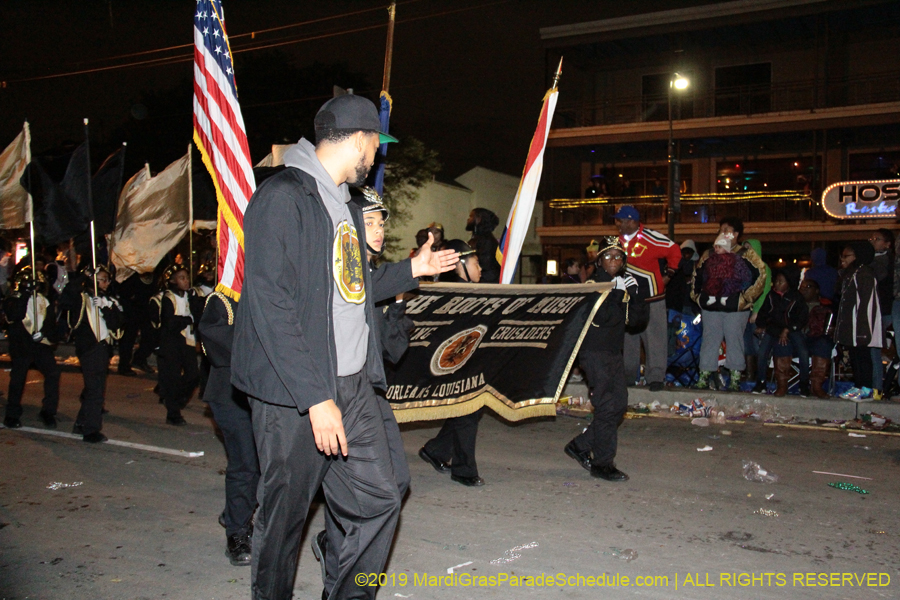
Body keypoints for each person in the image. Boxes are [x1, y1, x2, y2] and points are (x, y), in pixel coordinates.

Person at [230, 94, 458, 600]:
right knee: (284, 521)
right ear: (358, 138)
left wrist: (410, 271)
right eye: (376, 142)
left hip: (353, 385)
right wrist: (315, 398)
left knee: (383, 498)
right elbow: (271, 304)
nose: (377, 153)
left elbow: (350, 289)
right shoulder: (283, 196)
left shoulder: (347, 206)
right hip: (296, 391)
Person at [313, 187, 415, 596]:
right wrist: (407, 272)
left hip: (371, 392)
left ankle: (336, 549)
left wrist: (398, 308)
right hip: (336, 395)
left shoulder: (380, 277)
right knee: (370, 496)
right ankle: (343, 575)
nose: (377, 231)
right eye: (368, 222)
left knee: (398, 484)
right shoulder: (343, 272)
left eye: (380, 223)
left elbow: (393, 349)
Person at [564, 236, 648, 482]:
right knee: (607, 406)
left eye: (618, 256)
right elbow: (605, 318)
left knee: (619, 405)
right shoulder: (594, 283)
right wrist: (620, 295)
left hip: (612, 352)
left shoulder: (621, 283)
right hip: (593, 352)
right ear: (600, 260)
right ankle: (603, 463)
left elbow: (636, 322)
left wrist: (635, 294)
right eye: (609, 256)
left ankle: (580, 445)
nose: (614, 260)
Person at [199, 285, 259, 567]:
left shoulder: (269, 291)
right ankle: (237, 533)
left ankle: (236, 510)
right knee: (245, 463)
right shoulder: (221, 300)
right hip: (231, 395)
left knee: (266, 464)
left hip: (264, 394)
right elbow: (214, 345)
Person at [419, 239, 486, 487]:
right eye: (476, 263)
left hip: (467, 361)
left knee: (471, 410)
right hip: (451, 363)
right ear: (460, 265)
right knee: (467, 411)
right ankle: (464, 469)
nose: (480, 269)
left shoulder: (475, 290)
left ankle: (436, 450)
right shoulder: (450, 291)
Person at [690, 218, 767, 390]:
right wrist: (698, 297)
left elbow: (760, 275)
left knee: (735, 341)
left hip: (736, 309)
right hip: (711, 307)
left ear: (736, 234)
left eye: (727, 229)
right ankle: (704, 376)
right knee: (709, 340)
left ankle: (735, 378)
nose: (723, 232)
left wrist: (745, 299)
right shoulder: (710, 253)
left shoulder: (746, 254)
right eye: (721, 229)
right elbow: (697, 274)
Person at [614, 205, 681, 391]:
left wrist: (669, 274)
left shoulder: (651, 237)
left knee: (655, 339)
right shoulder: (617, 242)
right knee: (629, 339)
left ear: (632, 221)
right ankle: (628, 375)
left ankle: (656, 377)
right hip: (629, 299)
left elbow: (675, 250)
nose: (618, 224)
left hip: (653, 298)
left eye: (622, 220)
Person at [61, 265, 123, 443]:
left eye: (107, 279)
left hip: (103, 349)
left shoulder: (108, 300)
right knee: (95, 389)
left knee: (94, 387)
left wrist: (106, 307)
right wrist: (84, 275)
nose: (105, 282)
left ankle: (82, 422)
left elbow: (118, 323)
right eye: (101, 279)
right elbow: (66, 297)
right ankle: (90, 430)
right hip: (89, 348)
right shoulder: (81, 297)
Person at [3, 267, 60, 429]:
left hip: (40, 345)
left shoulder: (44, 300)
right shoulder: (13, 298)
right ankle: (12, 414)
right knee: (18, 378)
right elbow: (15, 315)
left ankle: (48, 411)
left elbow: (50, 322)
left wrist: (43, 333)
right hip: (21, 345)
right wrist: (27, 294)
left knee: (53, 373)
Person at [835, 242, 881, 401]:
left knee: (863, 356)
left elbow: (868, 303)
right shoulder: (850, 274)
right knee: (855, 356)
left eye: (846, 256)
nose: (843, 259)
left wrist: (864, 329)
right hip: (852, 324)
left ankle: (867, 388)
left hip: (861, 326)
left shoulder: (865, 274)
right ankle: (858, 385)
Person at [752, 270, 809, 397]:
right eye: (776, 281)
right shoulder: (771, 296)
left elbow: (802, 318)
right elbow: (763, 313)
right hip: (773, 329)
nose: (776, 284)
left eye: (780, 282)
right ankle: (761, 382)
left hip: (792, 329)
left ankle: (804, 384)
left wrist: (788, 329)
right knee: (762, 353)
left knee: (803, 352)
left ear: (788, 283)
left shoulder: (796, 297)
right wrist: (762, 325)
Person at [157, 264, 201, 426]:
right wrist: (187, 319)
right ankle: (173, 413)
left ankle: (175, 399)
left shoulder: (190, 295)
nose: (186, 281)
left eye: (187, 277)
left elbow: (198, 313)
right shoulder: (168, 297)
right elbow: (170, 322)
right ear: (173, 281)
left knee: (193, 375)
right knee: (173, 378)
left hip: (188, 340)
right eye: (181, 278)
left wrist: (194, 303)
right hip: (172, 342)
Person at [799, 277, 835, 398]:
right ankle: (782, 384)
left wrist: (832, 329)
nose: (804, 290)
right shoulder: (794, 304)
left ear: (817, 291)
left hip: (816, 338)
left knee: (823, 343)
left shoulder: (827, 305)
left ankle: (816, 385)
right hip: (797, 338)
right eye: (802, 287)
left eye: (808, 287)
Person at [117, 272, 157, 375]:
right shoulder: (132, 263)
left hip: (146, 304)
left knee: (151, 335)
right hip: (131, 305)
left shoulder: (154, 264)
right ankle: (124, 365)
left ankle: (139, 358)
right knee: (128, 336)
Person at [869, 229, 894, 399]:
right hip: (876, 311)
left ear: (887, 244)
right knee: (873, 349)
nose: (872, 241)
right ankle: (876, 388)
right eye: (871, 238)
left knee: (875, 348)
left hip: (886, 311)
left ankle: (877, 387)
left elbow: (875, 277)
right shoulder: (872, 259)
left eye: (877, 239)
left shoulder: (885, 260)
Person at [466, 207, 501, 283]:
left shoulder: (486, 241)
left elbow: (486, 266)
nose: (468, 219)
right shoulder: (479, 239)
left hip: (486, 284)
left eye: (471, 216)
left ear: (478, 219)